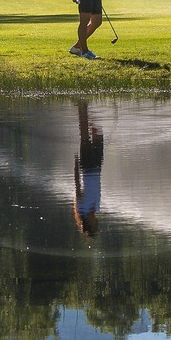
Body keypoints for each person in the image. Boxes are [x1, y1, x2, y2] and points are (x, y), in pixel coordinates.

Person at [73, 99, 104, 237]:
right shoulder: (96, 207)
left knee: (85, 135)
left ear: (89, 225)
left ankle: (82, 107)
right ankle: (87, 111)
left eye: (95, 225)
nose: (97, 223)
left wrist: (75, 164)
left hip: (86, 166)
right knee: (99, 134)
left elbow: (77, 186)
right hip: (97, 167)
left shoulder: (82, 208)